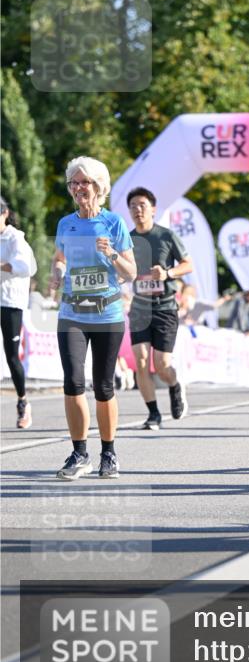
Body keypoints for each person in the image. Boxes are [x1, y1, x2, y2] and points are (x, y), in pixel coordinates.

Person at [50, 157, 136, 479]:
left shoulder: (114, 224)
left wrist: (111, 254)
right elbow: (59, 259)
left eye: (84, 182)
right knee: (72, 382)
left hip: (107, 314)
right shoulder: (65, 224)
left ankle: (109, 454)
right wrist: (57, 274)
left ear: (99, 186)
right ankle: (79, 453)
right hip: (72, 312)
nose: (78, 188)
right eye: (74, 182)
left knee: (102, 385)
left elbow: (131, 273)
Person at [127, 187, 193, 430]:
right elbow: (122, 269)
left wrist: (168, 273)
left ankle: (175, 386)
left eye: (142, 205)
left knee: (162, 364)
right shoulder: (127, 239)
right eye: (133, 206)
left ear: (153, 209)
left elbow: (188, 264)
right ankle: (153, 414)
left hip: (165, 307)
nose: (137, 209)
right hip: (139, 308)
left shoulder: (166, 236)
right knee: (141, 360)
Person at [1, 196, 37, 428]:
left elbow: (27, 267)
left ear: (4, 213)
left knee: (12, 356)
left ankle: (23, 401)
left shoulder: (16, 238)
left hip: (10, 303)